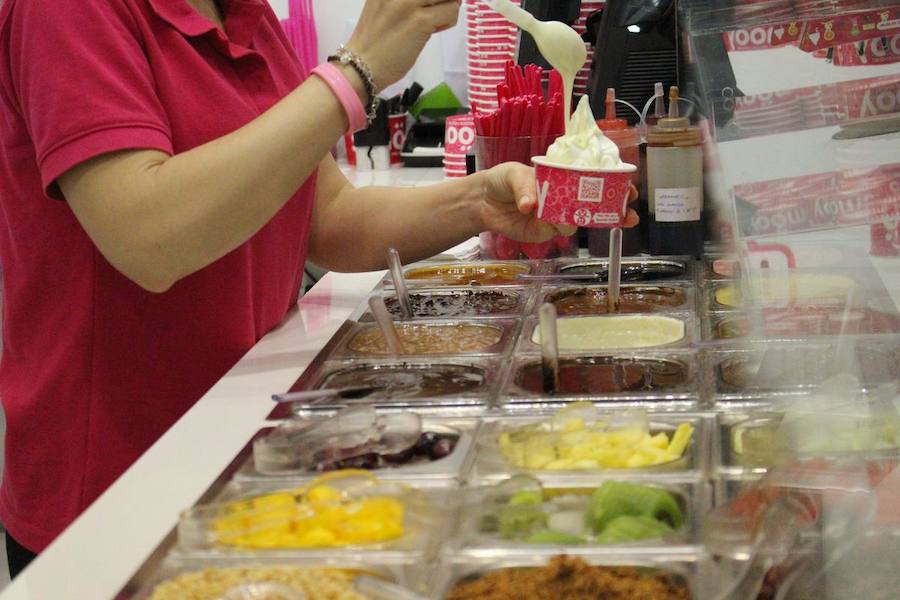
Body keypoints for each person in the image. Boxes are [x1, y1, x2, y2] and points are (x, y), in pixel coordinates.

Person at [0, 0, 637, 578]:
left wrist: (481, 198)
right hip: (116, 488)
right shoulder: (65, 12)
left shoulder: (245, 19)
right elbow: (147, 236)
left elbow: (328, 221)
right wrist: (353, 75)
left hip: (247, 441)